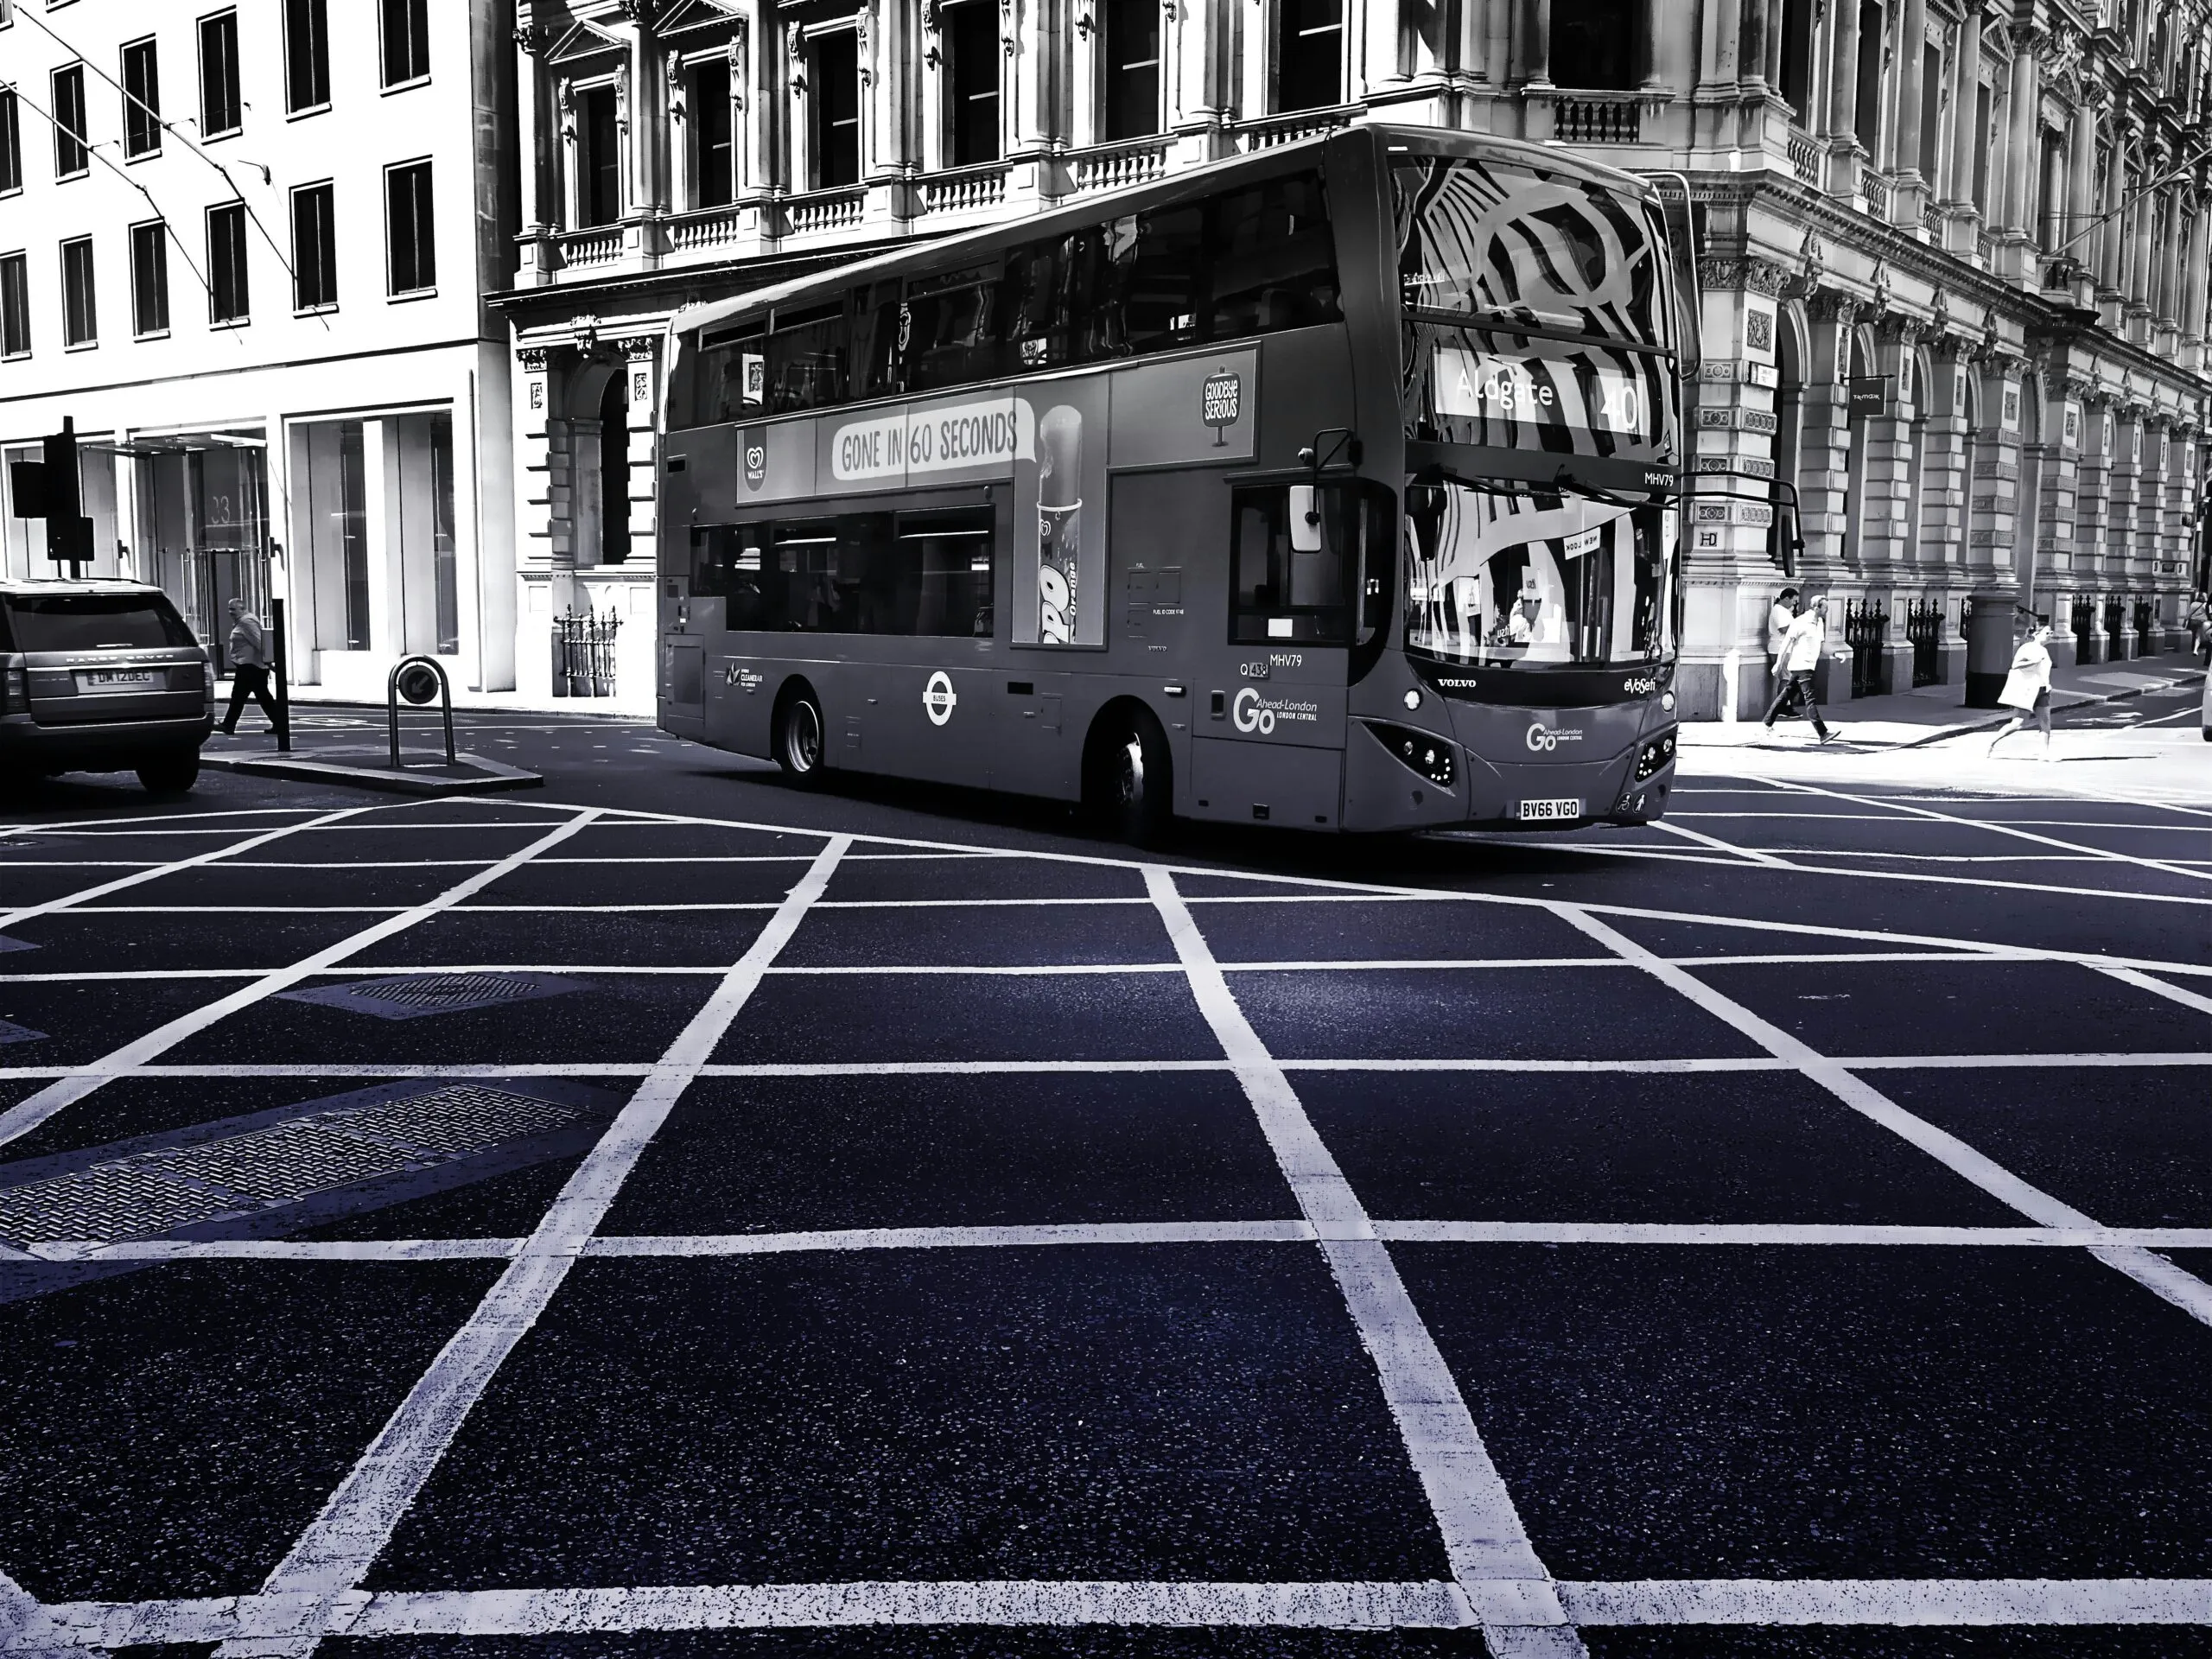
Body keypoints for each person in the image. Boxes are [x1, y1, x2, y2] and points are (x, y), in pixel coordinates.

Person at [1762, 593, 1837, 742]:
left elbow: (1822, 645)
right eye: (1825, 608)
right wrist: (1778, 664)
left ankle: (1767, 722)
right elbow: (1785, 644)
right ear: (1816, 608)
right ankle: (1823, 733)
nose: (1827, 611)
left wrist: (1836, 653)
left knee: (1786, 695)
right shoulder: (1800, 622)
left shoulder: (1820, 623)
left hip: (1809, 665)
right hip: (1800, 664)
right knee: (1810, 698)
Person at [218, 597, 284, 739]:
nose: (230, 612)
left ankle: (229, 724)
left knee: (242, 696)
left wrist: (270, 663)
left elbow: (260, 643)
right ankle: (280, 723)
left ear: (242, 609)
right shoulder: (242, 622)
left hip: (251, 666)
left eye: (233, 609)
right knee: (258, 696)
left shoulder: (247, 622)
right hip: (250, 666)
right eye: (229, 609)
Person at [1988, 620, 2055, 759]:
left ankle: (2044, 753)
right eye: (2047, 633)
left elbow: (2043, 671)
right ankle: (1991, 742)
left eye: (2051, 633)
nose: (2050, 635)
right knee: (2019, 723)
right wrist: (2033, 662)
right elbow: (2015, 665)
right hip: (2028, 690)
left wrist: (2047, 686)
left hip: (2042, 690)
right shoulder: (2027, 648)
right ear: (2037, 634)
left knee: (2045, 723)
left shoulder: (2044, 650)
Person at [1767, 586, 1802, 687]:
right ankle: (1783, 702)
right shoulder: (1779, 610)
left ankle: (1785, 702)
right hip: (1780, 647)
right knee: (1786, 678)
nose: (1794, 604)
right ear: (1786, 598)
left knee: (1788, 677)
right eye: (1793, 600)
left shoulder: (1783, 611)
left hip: (1783, 648)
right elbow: (1783, 629)